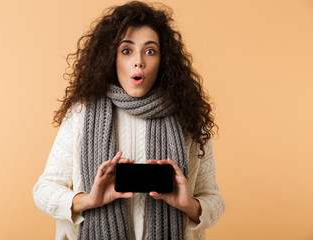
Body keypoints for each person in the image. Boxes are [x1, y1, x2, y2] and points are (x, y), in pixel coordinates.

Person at [33, 1, 225, 239]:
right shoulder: (81, 114)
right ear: (110, 58)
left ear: (163, 60)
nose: (139, 61)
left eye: (150, 50)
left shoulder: (188, 118)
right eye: (127, 50)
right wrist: (89, 200)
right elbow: (43, 191)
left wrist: (189, 205)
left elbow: (214, 200)